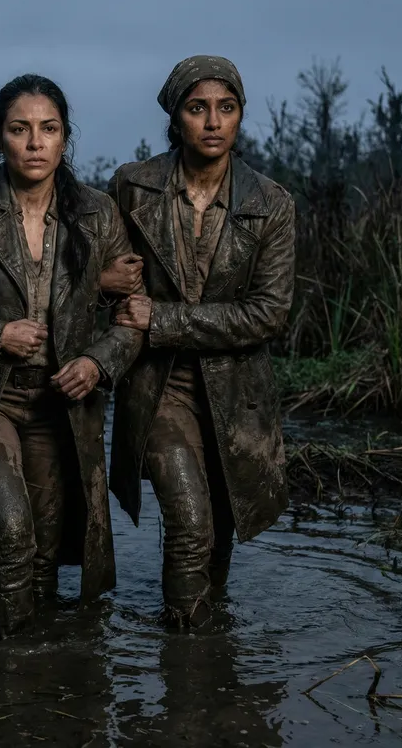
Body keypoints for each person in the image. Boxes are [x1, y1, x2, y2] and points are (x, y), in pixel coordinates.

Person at [0, 74, 143, 639]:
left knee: (41, 553)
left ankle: (35, 689)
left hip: (62, 401)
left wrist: (97, 363)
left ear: (66, 137)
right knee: (8, 529)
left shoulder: (97, 212)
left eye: (49, 129)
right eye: (20, 130)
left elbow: (132, 315)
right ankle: (4, 676)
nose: (35, 143)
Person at [104, 56, 295, 628]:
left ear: (239, 117)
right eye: (197, 108)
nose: (213, 121)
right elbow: (93, 272)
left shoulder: (271, 204)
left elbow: (268, 314)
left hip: (237, 392)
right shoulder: (133, 187)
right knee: (189, 521)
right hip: (158, 385)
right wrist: (102, 285)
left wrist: (162, 318)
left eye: (226, 108)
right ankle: (188, 666)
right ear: (175, 118)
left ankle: (204, 653)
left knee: (220, 527)